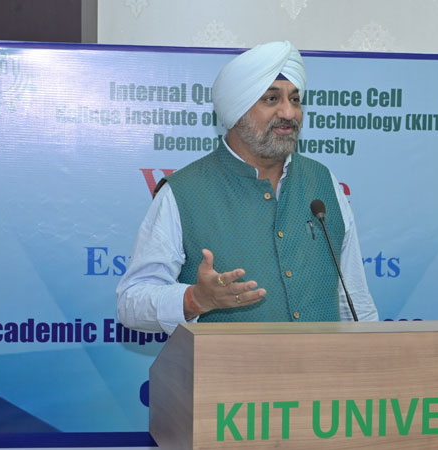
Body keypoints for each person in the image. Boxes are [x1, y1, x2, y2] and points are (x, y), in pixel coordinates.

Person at [116, 41, 378, 334]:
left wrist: (371, 354)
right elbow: (131, 302)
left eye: (295, 99)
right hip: (226, 365)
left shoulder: (322, 181)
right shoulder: (183, 193)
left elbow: (355, 300)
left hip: (323, 364)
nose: (289, 112)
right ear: (237, 109)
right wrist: (194, 299)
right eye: (271, 99)